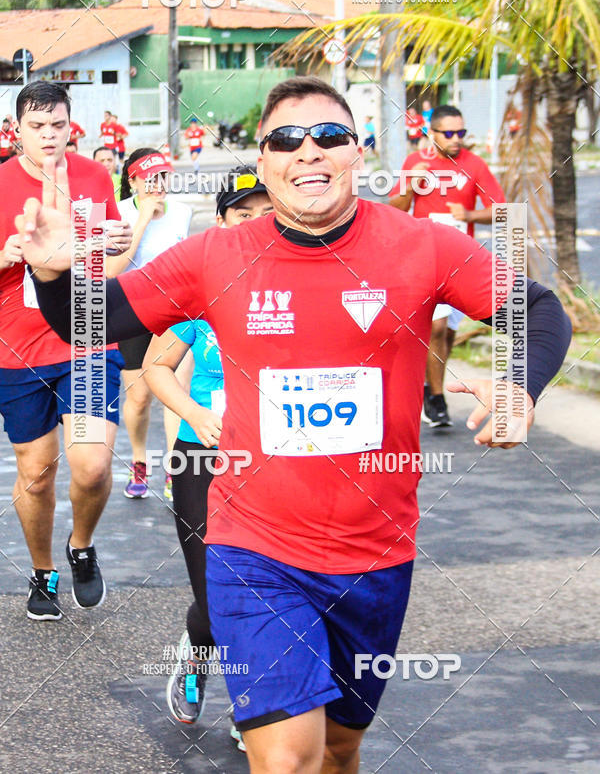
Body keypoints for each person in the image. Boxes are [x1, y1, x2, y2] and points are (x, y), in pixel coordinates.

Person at [21, 76, 571, 772]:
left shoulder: (421, 245)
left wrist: (520, 387)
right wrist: (55, 275)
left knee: (340, 749)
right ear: (265, 157)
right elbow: (89, 321)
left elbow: (542, 309)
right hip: (253, 550)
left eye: (329, 136)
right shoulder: (216, 255)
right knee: (287, 759)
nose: (307, 151)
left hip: (375, 556)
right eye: (286, 139)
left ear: (357, 151)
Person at [144, 166, 272, 749]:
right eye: (243, 213)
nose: (256, 224)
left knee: (267, 591)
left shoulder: (302, 286)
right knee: (213, 594)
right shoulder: (202, 292)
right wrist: (195, 417)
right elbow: (156, 367)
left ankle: (253, 711)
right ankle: (198, 656)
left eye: (266, 212)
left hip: (276, 463)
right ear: (222, 223)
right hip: (201, 459)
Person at [0, 82, 132, 621]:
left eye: (58, 125)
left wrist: (114, 243)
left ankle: (82, 545)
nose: (49, 137)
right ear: (16, 130)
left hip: (86, 337)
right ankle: (44, 570)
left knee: (93, 465)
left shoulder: (95, 176)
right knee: (36, 473)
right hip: (18, 349)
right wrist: (8, 254)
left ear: (69, 124)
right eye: (37, 127)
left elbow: (107, 262)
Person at [389, 104, 507, 426]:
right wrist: (412, 186)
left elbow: (503, 210)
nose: (457, 139)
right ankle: (438, 400)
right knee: (436, 327)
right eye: (450, 133)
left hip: (462, 260)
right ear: (433, 133)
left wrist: (468, 216)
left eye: (462, 133)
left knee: (449, 331)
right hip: (422, 258)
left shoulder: (474, 164)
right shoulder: (416, 163)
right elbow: (396, 208)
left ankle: (430, 384)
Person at [105, 148, 192, 500]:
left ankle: (174, 467)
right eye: (150, 178)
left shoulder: (182, 212)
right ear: (134, 181)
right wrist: (142, 219)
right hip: (131, 312)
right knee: (139, 398)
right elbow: (111, 272)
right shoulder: (119, 214)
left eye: (163, 177)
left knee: (175, 394)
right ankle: (139, 461)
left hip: (175, 314)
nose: (158, 185)